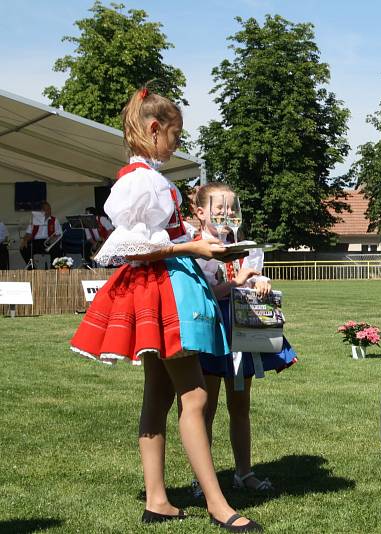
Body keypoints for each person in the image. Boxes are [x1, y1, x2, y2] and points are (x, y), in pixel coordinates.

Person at [69, 86, 262, 532]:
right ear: (154, 129)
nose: (178, 144)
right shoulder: (143, 181)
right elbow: (131, 246)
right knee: (193, 396)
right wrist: (195, 244)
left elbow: (155, 241)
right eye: (175, 135)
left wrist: (197, 245)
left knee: (157, 393)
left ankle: (157, 499)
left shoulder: (147, 178)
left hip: (159, 287)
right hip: (162, 291)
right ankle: (217, 505)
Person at [189, 181, 298, 498]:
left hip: (242, 333)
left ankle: (243, 472)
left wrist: (260, 281)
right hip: (210, 332)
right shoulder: (196, 249)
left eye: (231, 209)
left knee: (240, 407)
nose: (226, 215)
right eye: (218, 209)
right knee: (204, 408)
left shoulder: (247, 247)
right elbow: (202, 295)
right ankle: (201, 479)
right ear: (200, 212)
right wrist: (236, 281)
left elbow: (252, 281)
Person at [20, 201, 62, 268]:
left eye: (50, 209)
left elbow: (59, 234)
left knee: (57, 249)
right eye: (47, 209)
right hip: (36, 242)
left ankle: (53, 269)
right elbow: (28, 233)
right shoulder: (34, 219)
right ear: (42, 211)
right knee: (24, 248)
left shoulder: (54, 220)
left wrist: (54, 239)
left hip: (48, 242)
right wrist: (25, 240)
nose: (49, 211)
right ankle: (32, 268)